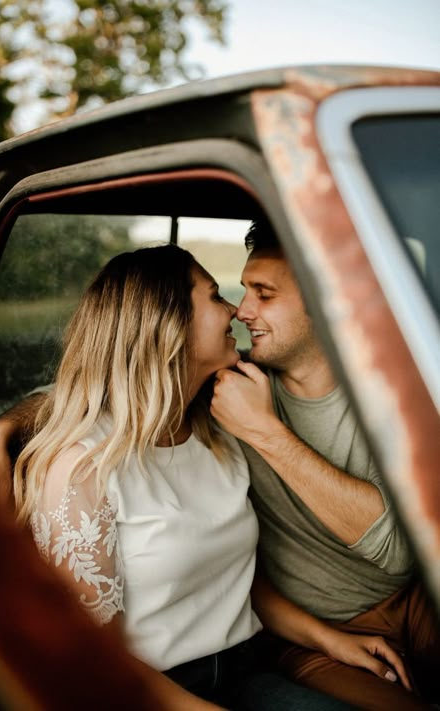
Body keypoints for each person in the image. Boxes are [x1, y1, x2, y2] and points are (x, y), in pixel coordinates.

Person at [0, 244, 410, 710]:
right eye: (217, 297)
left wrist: (329, 639)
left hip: (248, 668)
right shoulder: (83, 467)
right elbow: (99, 660)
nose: (236, 311)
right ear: (169, 323)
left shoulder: (220, 426)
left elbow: (231, 577)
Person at [210, 220, 440, 710]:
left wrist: (266, 433)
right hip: (317, 632)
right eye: (243, 290)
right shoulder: (226, 389)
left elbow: (396, 550)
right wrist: (5, 428)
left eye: (264, 294)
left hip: (421, 596)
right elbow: (116, 389)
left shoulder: (391, 387)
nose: (241, 311)